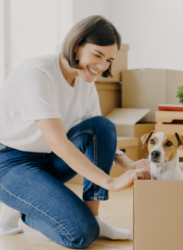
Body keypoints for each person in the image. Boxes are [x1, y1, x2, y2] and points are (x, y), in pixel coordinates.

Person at [0, 15, 150, 249]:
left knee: (102, 125)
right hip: (10, 163)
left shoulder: (85, 80)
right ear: (76, 46)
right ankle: (26, 208)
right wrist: (111, 182)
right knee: (80, 234)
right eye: (97, 55)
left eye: (109, 60)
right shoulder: (37, 73)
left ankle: (95, 217)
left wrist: (128, 164)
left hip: (47, 160)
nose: (101, 66)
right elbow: (59, 142)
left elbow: (98, 134)